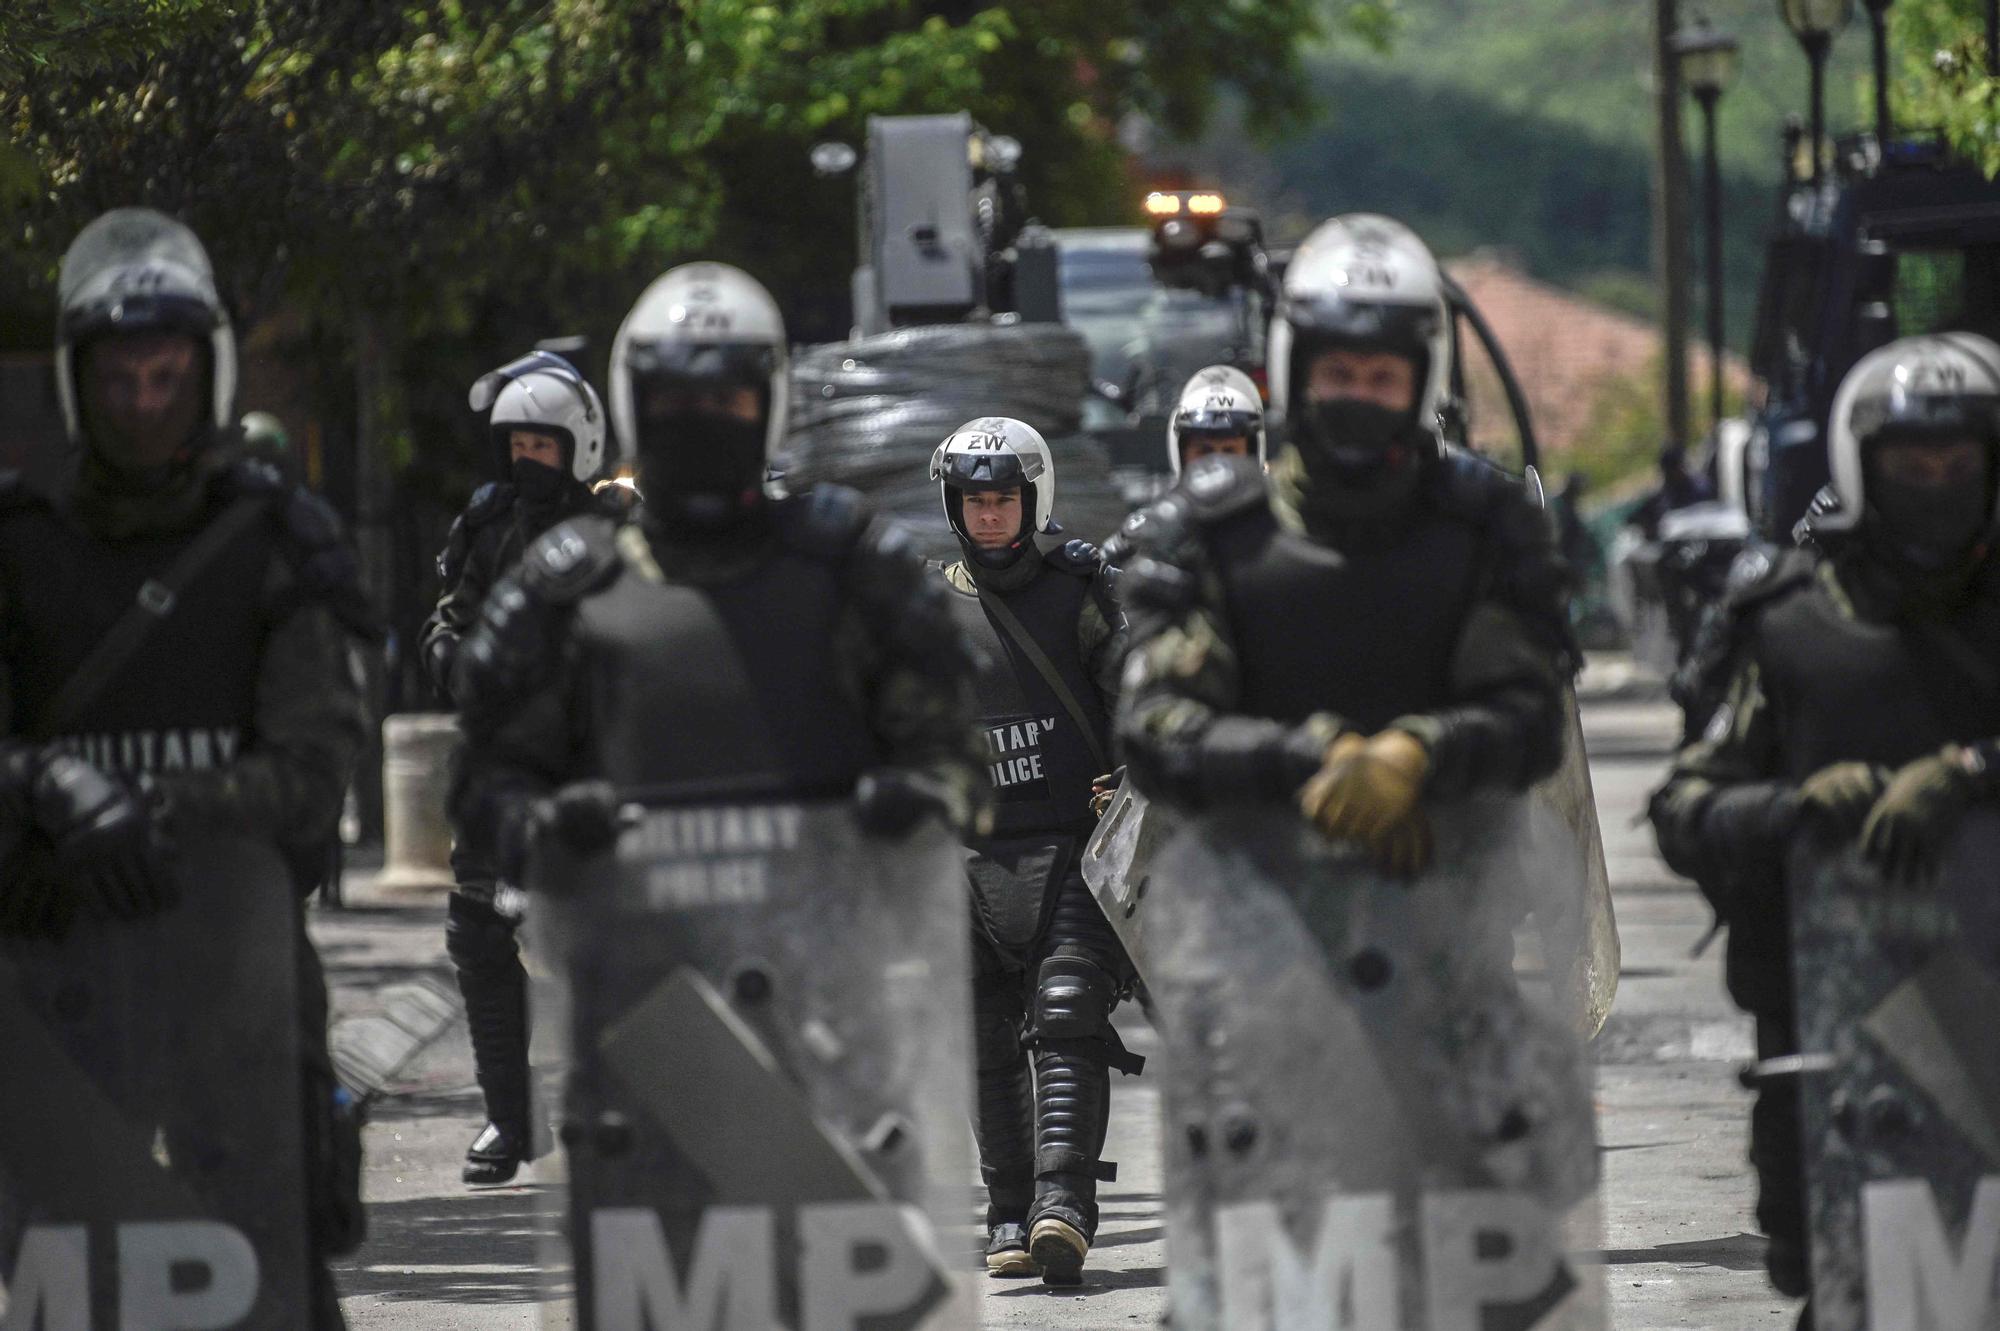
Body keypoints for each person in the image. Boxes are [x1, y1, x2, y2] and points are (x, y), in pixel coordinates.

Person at [0, 207, 373, 1327]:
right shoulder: (18, 546)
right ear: (79, 382)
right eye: (121, 380)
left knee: (270, 1286)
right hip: (59, 982)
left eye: (168, 377)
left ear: (206, 374)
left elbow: (314, 769)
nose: (145, 404)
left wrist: (146, 808)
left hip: (238, 986)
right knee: (63, 1289)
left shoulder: (275, 540)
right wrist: (42, 786)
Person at [1649, 332, 2000, 1326]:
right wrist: (1793, 807)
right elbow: (1684, 805)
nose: (1931, 483)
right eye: (1907, 465)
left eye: (1955, 464)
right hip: (1830, 1035)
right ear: (1858, 466)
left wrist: (1968, 770)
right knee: (1839, 1284)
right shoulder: (1787, 624)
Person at [1116, 213, 1573, 870]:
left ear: (1423, 383)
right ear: (1295, 371)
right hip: (1248, 925)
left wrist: (1418, 752)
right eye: (1338, 374)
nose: (1359, 396)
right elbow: (1154, 727)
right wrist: (1311, 755)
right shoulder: (1206, 535)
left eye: (1382, 378)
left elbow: (1533, 718)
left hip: (1449, 922)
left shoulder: (1487, 530)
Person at [928, 415, 1136, 1285]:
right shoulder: (924, 605)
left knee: (1066, 1012)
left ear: (1033, 500)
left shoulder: (1083, 591)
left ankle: (1064, 1207)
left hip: (1074, 850)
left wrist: (1139, 776)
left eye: (1002, 499)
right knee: (978, 1034)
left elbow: (1139, 695)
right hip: (965, 857)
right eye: (974, 500)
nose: (987, 516)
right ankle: (1008, 1208)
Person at [420, 348, 627, 1185]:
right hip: (502, 761)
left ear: (574, 443)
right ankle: (509, 1116)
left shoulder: (617, 527)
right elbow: (451, 616)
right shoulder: (488, 522)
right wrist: (452, 658)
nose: (525, 461)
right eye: (515, 445)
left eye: (540, 445)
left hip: (590, 759)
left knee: (602, 938)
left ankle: (608, 1106)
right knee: (478, 929)